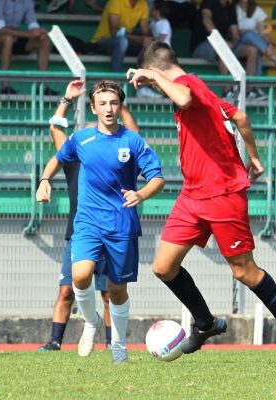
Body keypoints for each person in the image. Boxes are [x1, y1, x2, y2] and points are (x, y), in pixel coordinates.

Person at [127, 41, 276, 368]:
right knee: (163, 267)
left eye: (150, 78)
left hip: (224, 194)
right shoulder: (201, 87)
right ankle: (206, 323)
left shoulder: (186, 86)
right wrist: (252, 156)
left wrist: (150, 76)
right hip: (192, 195)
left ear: (154, 71)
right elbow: (240, 116)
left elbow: (182, 97)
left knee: (244, 272)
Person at [36, 79, 165, 363]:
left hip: (121, 225)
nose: (109, 109)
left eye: (114, 103)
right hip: (86, 223)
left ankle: (118, 344)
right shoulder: (81, 139)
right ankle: (90, 323)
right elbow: (57, 154)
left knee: (116, 290)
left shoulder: (131, 140)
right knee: (79, 276)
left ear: (121, 107)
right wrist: (45, 179)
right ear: (93, 108)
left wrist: (141, 194)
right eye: (103, 104)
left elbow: (157, 177)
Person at [0, 0, 56, 95]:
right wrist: (27, 34)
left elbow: (33, 24)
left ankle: (43, 87)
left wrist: (39, 32)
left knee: (44, 39)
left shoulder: (27, 1)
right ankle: (5, 87)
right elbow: (0, 29)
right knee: (8, 38)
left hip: (14, 38)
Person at [189, 0, 265, 100]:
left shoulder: (230, 8)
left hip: (227, 46)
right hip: (202, 45)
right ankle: (227, 91)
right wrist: (220, 41)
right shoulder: (208, 2)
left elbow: (234, 31)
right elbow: (207, 21)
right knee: (223, 47)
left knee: (252, 50)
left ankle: (249, 91)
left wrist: (235, 38)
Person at [234, 0, 276, 75]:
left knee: (255, 49)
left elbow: (262, 32)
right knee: (248, 34)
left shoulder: (257, 10)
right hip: (238, 44)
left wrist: (269, 45)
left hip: (255, 44)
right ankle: (274, 58)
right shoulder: (233, 9)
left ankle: (255, 84)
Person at [90, 0, 153, 72]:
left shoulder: (143, 3)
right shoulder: (116, 1)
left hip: (126, 41)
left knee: (151, 45)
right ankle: (116, 79)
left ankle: (142, 80)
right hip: (103, 41)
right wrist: (141, 40)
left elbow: (146, 30)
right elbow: (115, 32)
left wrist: (150, 39)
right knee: (122, 42)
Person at [138, 0, 171, 98]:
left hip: (163, 52)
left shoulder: (164, 22)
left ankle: (164, 93)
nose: (151, 10)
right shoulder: (153, 23)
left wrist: (151, 42)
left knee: (160, 73)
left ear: (157, 10)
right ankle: (144, 89)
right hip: (154, 51)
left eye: (153, 9)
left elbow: (162, 38)